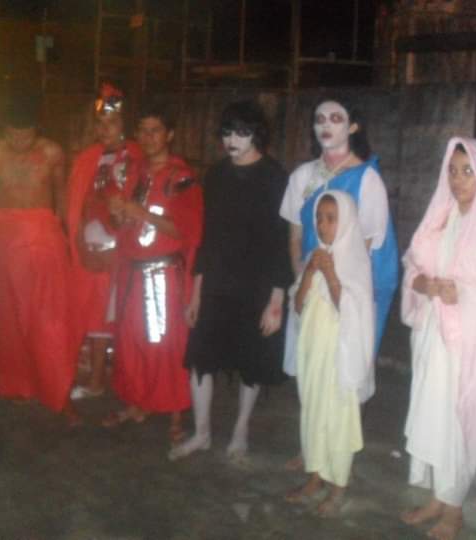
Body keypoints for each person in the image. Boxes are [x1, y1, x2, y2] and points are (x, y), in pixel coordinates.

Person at [400, 138, 476, 540]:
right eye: (452, 171)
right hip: (434, 337)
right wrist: (423, 284)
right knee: (434, 417)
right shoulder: (440, 218)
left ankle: (454, 510)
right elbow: (413, 265)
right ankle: (438, 498)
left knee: (459, 423)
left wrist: (466, 295)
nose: (458, 180)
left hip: (471, 347)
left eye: (468, 171)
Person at [169, 100, 290, 462]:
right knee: (200, 356)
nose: (232, 140)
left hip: (257, 283)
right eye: (227, 132)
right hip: (218, 280)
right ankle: (202, 433)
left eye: (241, 132)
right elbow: (208, 236)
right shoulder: (217, 175)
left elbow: (280, 241)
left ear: (257, 134)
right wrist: (196, 292)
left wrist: (276, 300)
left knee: (251, 360)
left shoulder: (274, 177)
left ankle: (240, 431)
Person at [0, 97, 78, 423]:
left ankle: (59, 391)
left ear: (37, 129)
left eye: (26, 134)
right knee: (14, 317)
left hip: (45, 239)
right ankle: (20, 383)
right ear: (4, 131)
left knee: (50, 318)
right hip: (9, 242)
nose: (19, 140)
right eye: (13, 134)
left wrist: (68, 236)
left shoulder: (52, 152)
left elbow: (62, 196)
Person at [102, 104, 203, 441]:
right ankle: (137, 402)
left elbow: (186, 231)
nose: (148, 137)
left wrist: (141, 213)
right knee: (130, 340)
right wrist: (118, 214)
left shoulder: (181, 177)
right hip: (131, 271)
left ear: (169, 135)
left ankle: (175, 411)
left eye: (155, 130)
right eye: (142, 131)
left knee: (167, 344)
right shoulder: (132, 171)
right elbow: (121, 225)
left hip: (163, 275)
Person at [280, 98, 397, 376]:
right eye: (319, 119)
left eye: (335, 119)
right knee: (312, 367)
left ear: (352, 126)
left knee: (345, 370)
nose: (326, 126)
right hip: (311, 281)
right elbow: (295, 237)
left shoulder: (367, 180)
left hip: (350, 288)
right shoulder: (302, 176)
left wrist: (338, 289)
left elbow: (366, 247)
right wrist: (303, 280)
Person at [284, 190, 374, 517]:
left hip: (340, 357)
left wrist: (332, 274)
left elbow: (352, 313)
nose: (323, 225)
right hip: (313, 353)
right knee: (312, 412)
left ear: (346, 222)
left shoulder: (355, 263)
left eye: (331, 219)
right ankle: (314, 477)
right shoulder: (314, 256)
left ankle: (338, 488)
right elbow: (297, 306)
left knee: (338, 419)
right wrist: (310, 272)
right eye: (319, 219)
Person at [66, 84, 143, 400]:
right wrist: (80, 247)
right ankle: (96, 377)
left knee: (121, 319)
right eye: (100, 123)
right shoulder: (87, 158)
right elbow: (76, 208)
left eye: (112, 122)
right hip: (91, 250)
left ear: (126, 123)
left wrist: (119, 252)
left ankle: (118, 382)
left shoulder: (138, 158)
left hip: (121, 252)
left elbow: (140, 211)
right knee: (92, 316)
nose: (104, 129)